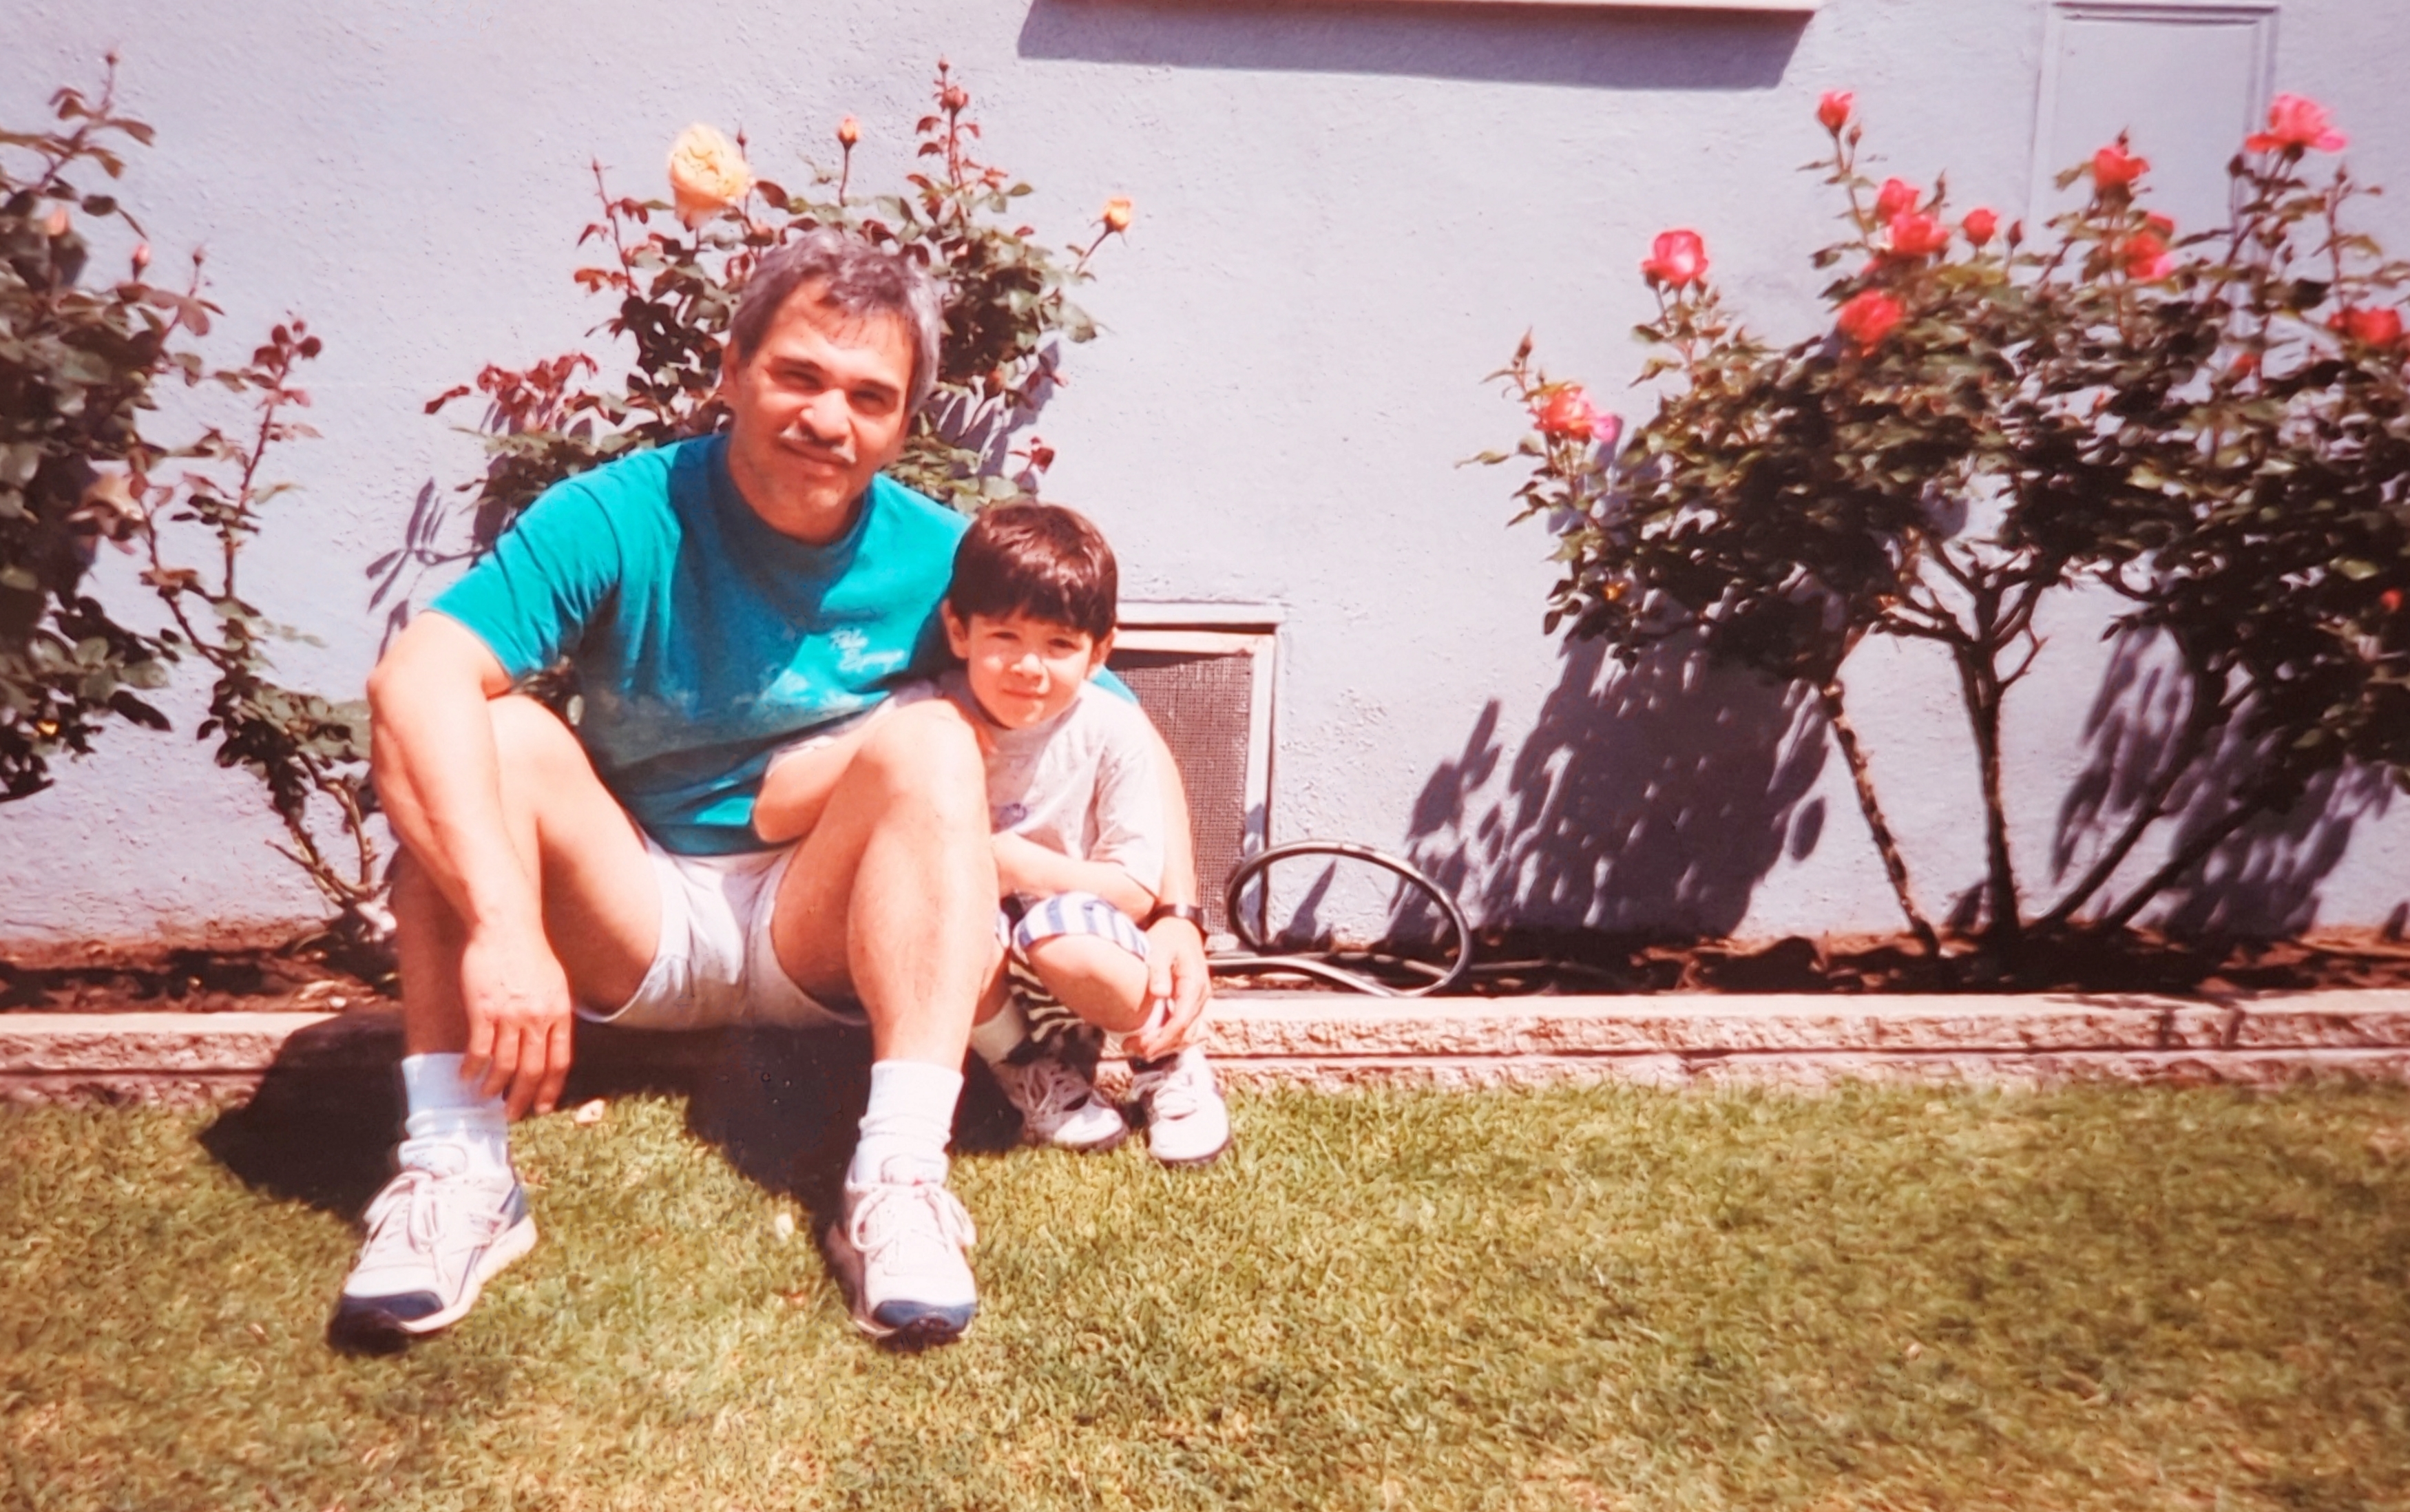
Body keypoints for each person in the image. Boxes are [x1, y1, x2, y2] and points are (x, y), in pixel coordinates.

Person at [331, 229, 1211, 1353]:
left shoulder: (944, 559)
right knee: (484, 729)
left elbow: (1115, 713)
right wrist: (505, 928)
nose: (828, 419)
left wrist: (1178, 915)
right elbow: (415, 678)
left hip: (821, 921)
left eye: (869, 395)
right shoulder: (618, 513)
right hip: (634, 910)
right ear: (732, 369)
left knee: (933, 737)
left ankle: (899, 1177)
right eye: (798, 375)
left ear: (903, 422)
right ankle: (458, 1170)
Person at [757, 503, 1231, 1164]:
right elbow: (772, 810)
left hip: (1083, 949)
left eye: (1059, 645)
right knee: (953, 927)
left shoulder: (1111, 730)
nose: (1028, 667)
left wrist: (1012, 864)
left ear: (1099, 652)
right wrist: (892, 743)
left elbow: (1132, 891)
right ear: (960, 632)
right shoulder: (928, 712)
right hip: (982, 976)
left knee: (1062, 935)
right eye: (1004, 636)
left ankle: (1165, 1058)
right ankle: (1027, 1070)